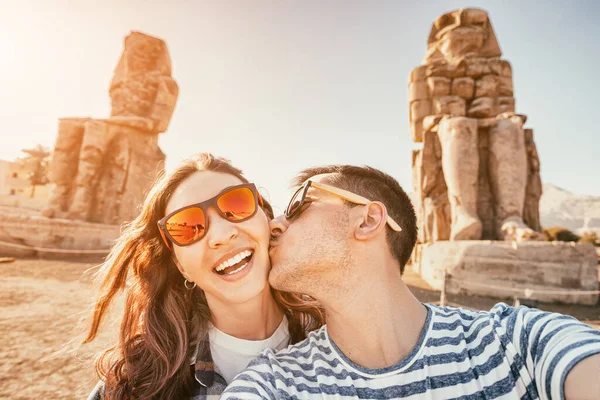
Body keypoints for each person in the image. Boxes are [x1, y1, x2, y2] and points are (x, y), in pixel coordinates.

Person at [222, 164, 600, 399]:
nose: (273, 224)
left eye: (298, 206)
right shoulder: (275, 383)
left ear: (368, 221)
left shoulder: (519, 340)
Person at [84, 153, 324, 399]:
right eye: (187, 226)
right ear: (180, 266)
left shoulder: (341, 336)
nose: (221, 235)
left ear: (266, 219)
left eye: (236, 204)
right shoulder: (135, 384)